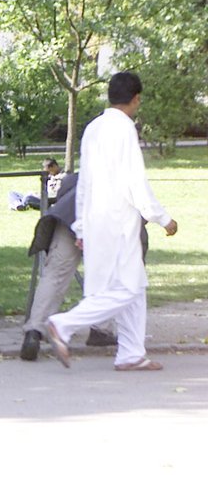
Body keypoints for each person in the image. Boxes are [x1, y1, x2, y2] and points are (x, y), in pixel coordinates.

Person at [47, 72, 178, 371]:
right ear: (136, 99)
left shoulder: (93, 128)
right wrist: (162, 218)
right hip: (119, 220)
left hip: (95, 217)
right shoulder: (124, 129)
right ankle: (63, 325)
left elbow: (84, 182)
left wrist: (80, 224)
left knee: (132, 287)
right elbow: (135, 182)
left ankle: (131, 352)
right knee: (128, 288)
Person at [19, 171, 119, 361]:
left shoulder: (84, 170)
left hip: (69, 217)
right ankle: (101, 329)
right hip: (104, 221)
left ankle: (34, 330)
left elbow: (65, 188)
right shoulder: (123, 173)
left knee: (54, 276)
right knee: (103, 276)